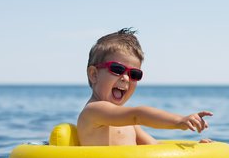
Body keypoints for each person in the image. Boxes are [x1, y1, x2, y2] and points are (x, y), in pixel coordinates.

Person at [77, 28, 213, 146]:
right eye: (117, 69)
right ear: (94, 74)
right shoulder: (93, 111)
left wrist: (194, 148)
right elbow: (138, 114)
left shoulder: (129, 122)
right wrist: (179, 121)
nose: (125, 78)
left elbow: (154, 146)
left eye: (134, 74)